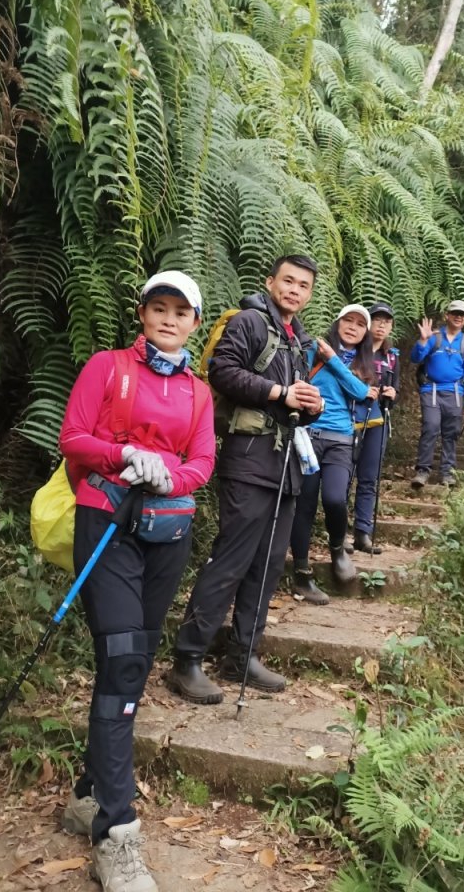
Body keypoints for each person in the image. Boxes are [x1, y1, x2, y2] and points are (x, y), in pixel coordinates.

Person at [58, 270, 215, 892]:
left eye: (182, 311)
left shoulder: (200, 394)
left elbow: (202, 464)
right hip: (106, 525)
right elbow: (73, 436)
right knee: (123, 660)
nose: (169, 319)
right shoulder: (109, 367)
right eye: (160, 307)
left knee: (132, 659)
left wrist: (167, 476)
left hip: (167, 534)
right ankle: (117, 833)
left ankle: (89, 795)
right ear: (143, 313)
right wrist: (124, 457)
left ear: (196, 323)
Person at [168, 255, 323, 705]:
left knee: (269, 563)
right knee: (232, 559)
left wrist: (309, 406)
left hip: (286, 465)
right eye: (288, 281)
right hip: (250, 458)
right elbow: (223, 370)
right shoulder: (251, 322)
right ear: (270, 281)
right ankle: (188, 657)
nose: (294, 290)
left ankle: (244, 652)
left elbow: (291, 402)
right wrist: (279, 392)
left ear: (309, 294)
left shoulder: (296, 340)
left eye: (303, 285)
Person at [289, 305, 379, 605]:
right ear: (337, 322)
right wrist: (324, 355)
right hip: (308, 436)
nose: (352, 327)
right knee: (304, 503)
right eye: (348, 321)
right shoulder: (314, 347)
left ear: (366, 332)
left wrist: (333, 360)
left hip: (341, 439)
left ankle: (338, 549)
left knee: (335, 499)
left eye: (359, 324)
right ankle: (301, 573)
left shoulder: (366, 363)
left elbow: (359, 391)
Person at [346, 302, 400, 555]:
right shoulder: (355, 351)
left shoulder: (392, 357)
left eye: (386, 321)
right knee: (345, 474)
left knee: (369, 476)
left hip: (379, 419)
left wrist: (392, 392)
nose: (381, 325)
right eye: (377, 320)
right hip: (351, 417)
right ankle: (338, 532)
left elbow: (396, 387)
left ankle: (363, 532)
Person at [411, 299, 464, 489]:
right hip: (431, 390)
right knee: (431, 427)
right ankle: (422, 471)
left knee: (451, 433)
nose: (458, 316)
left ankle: (447, 472)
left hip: (455, 392)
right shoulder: (434, 336)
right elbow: (416, 358)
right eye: (455, 313)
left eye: (462, 314)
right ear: (446, 315)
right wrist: (423, 341)